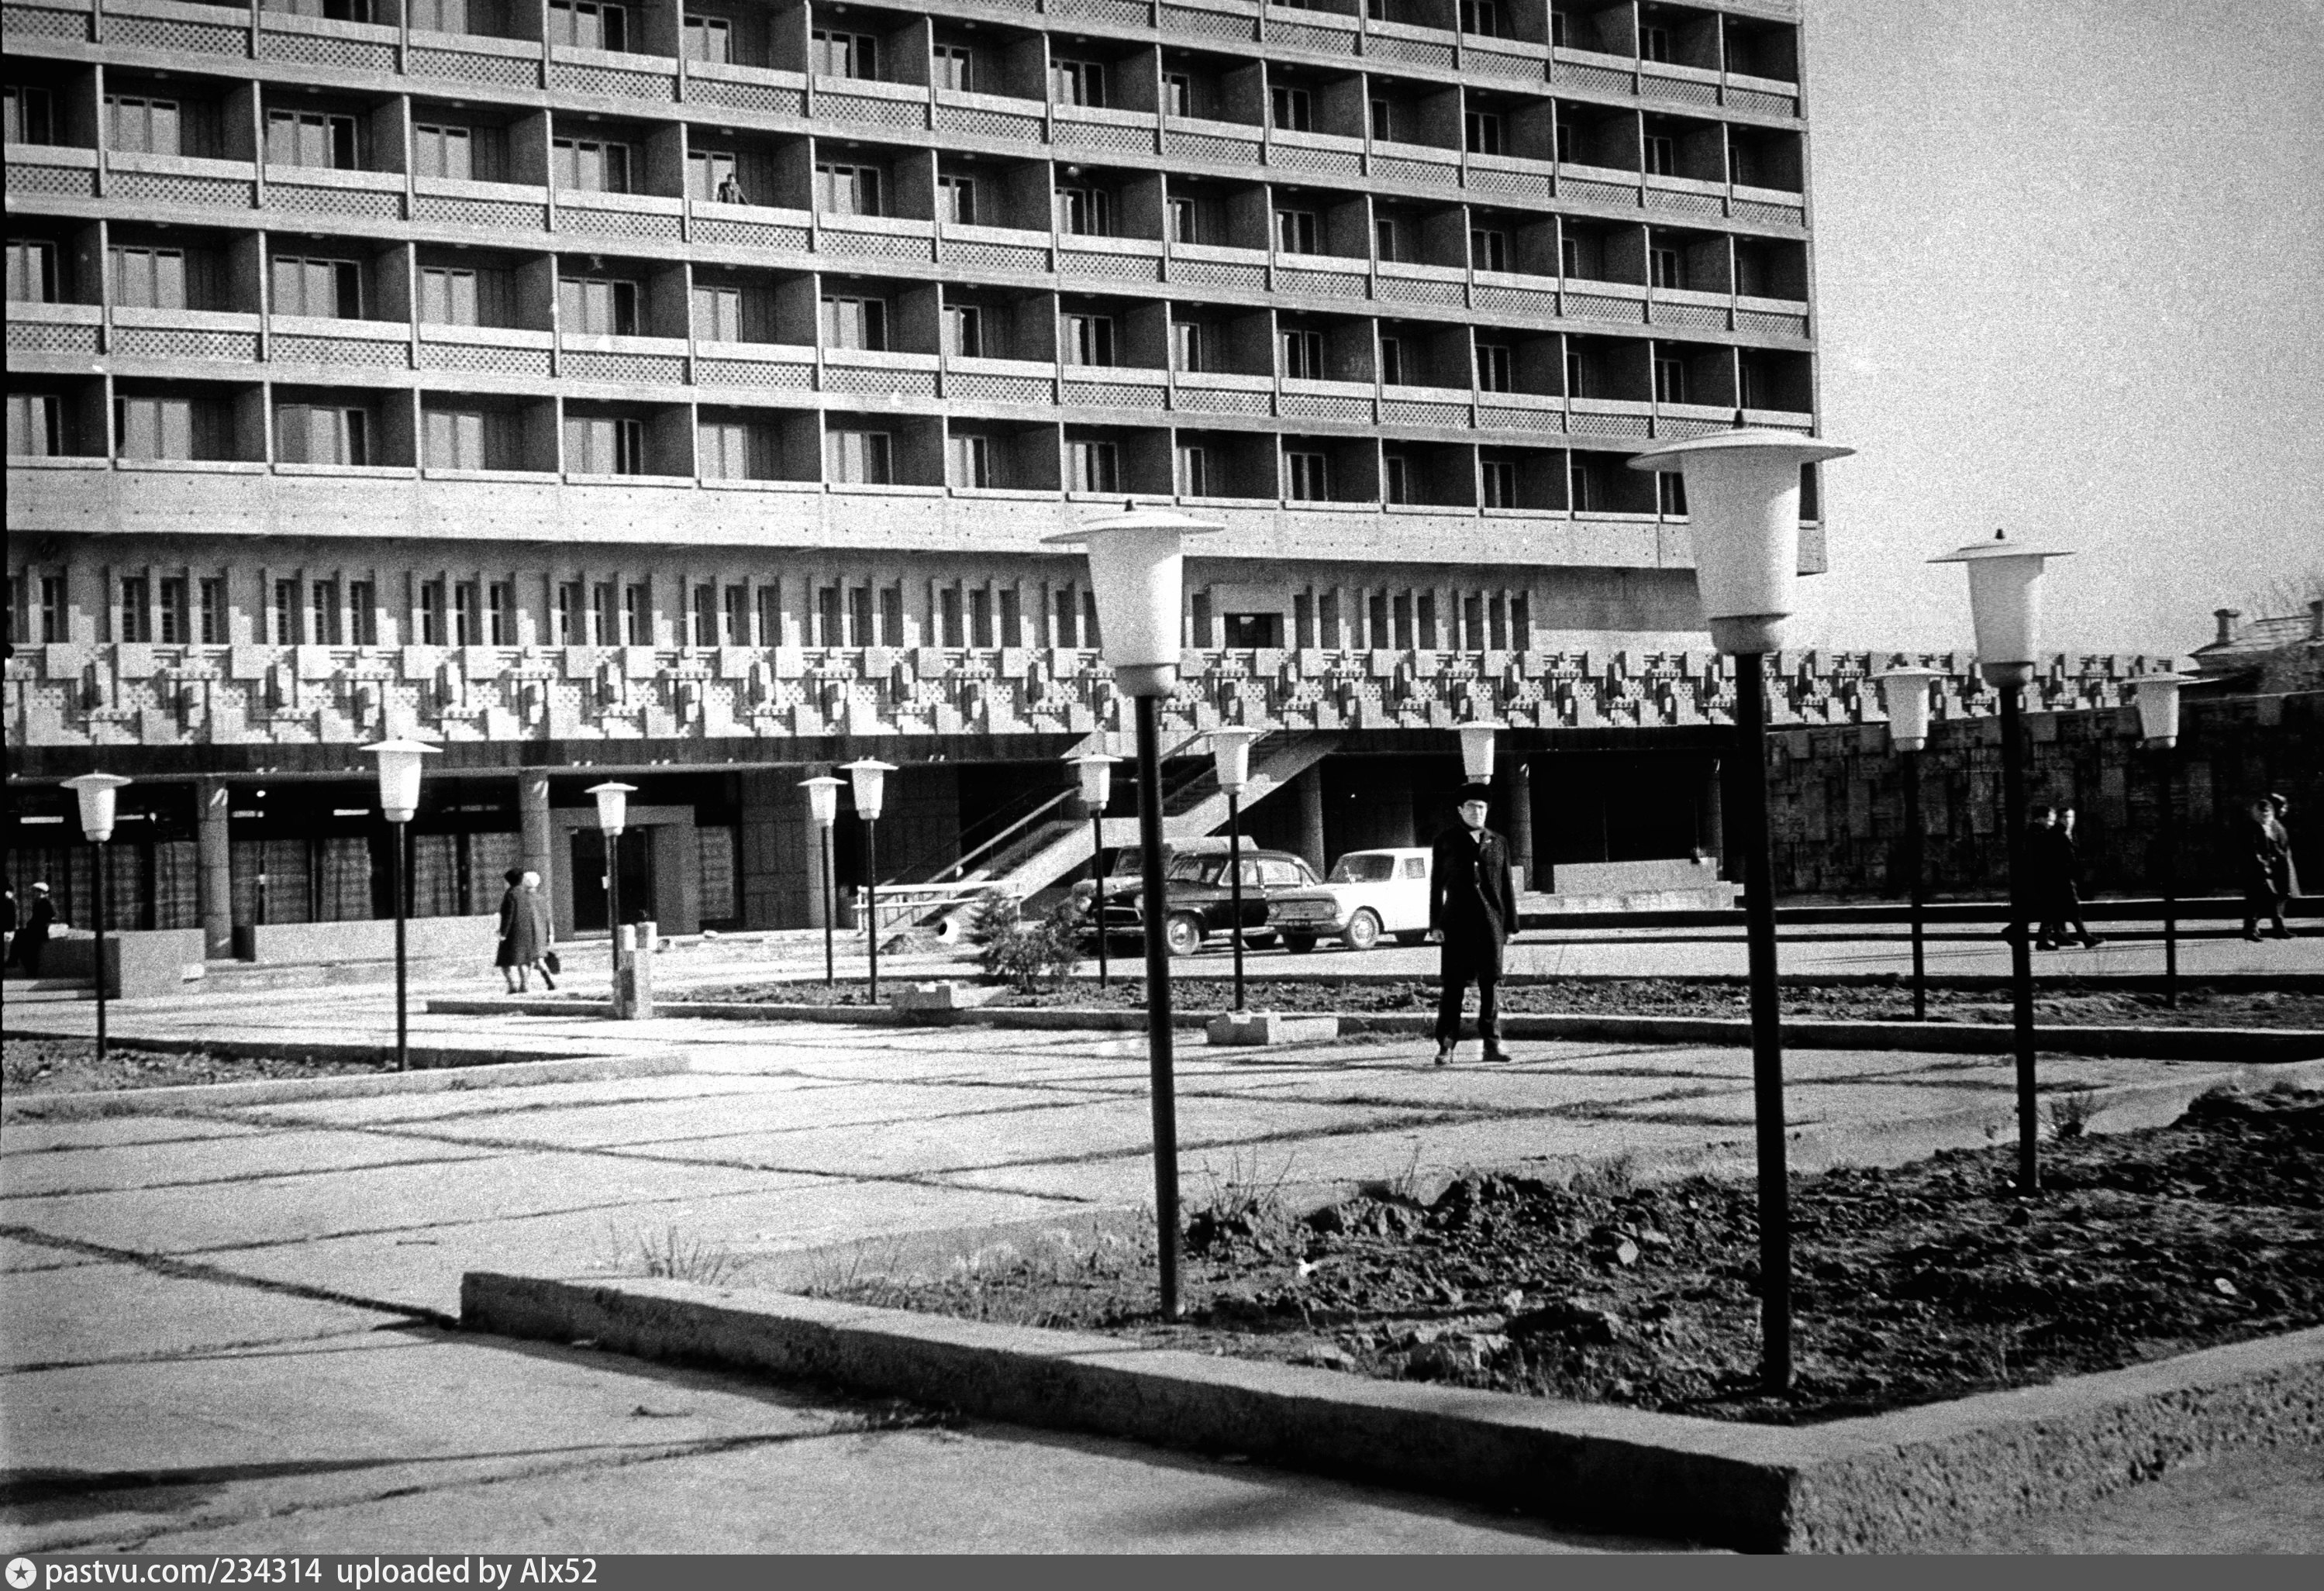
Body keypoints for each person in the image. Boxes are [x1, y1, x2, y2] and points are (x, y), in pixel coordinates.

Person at [1428, 782, 1519, 1066]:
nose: (1477, 812)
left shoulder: (1499, 842)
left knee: (1490, 984)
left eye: (1481, 807)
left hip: (1491, 923)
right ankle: (1446, 1046)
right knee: (1454, 986)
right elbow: (1435, 886)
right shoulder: (1446, 840)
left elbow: (1506, 886)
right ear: (1460, 810)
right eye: (1471, 807)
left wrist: (1511, 926)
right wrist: (1435, 924)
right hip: (1456, 923)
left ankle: (1492, 1045)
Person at [2029, 804, 2102, 951]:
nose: (2051, 823)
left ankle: (2051, 939)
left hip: (2056, 878)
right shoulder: (2048, 833)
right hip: (2056, 878)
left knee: (2054, 911)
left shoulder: (2054, 832)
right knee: (2071, 908)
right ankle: (2084, 937)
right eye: (2050, 820)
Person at [2243, 797, 2291, 942]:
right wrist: (2263, 864)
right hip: (2259, 869)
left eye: (2267, 812)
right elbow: (2253, 849)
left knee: (2272, 898)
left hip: (2272, 868)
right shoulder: (2254, 827)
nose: (2265, 815)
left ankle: (2276, 928)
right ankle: (2252, 930)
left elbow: (2276, 846)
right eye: (2262, 813)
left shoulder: (2272, 826)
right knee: (2258, 899)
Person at [494, 867, 542, 993]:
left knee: (505, 961)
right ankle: (525, 984)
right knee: (524, 960)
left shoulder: (510, 894)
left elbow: (508, 915)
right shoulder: (527, 893)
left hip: (512, 932)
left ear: (509, 881)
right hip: (527, 931)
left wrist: (503, 933)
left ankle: (512, 986)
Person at [519, 869, 557, 989]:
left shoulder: (521, 899)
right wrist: (550, 934)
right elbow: (547, 918)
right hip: (540, 933)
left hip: (526, 932)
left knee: (524, 961)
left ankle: (524, 985)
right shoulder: (542, 899)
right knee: (539, 960)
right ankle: (549, 980)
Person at [12, 881, 57, 977]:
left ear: (41, 892)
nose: (34, 894)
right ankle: (15, 960)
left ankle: (16, 961)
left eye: (36, 892)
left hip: (40, 930)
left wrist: (36, 924)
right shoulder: (38, 902)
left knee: (29, 947)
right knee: (19, 936)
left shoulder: (46, 902)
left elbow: (52, 917)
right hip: (35, 929)